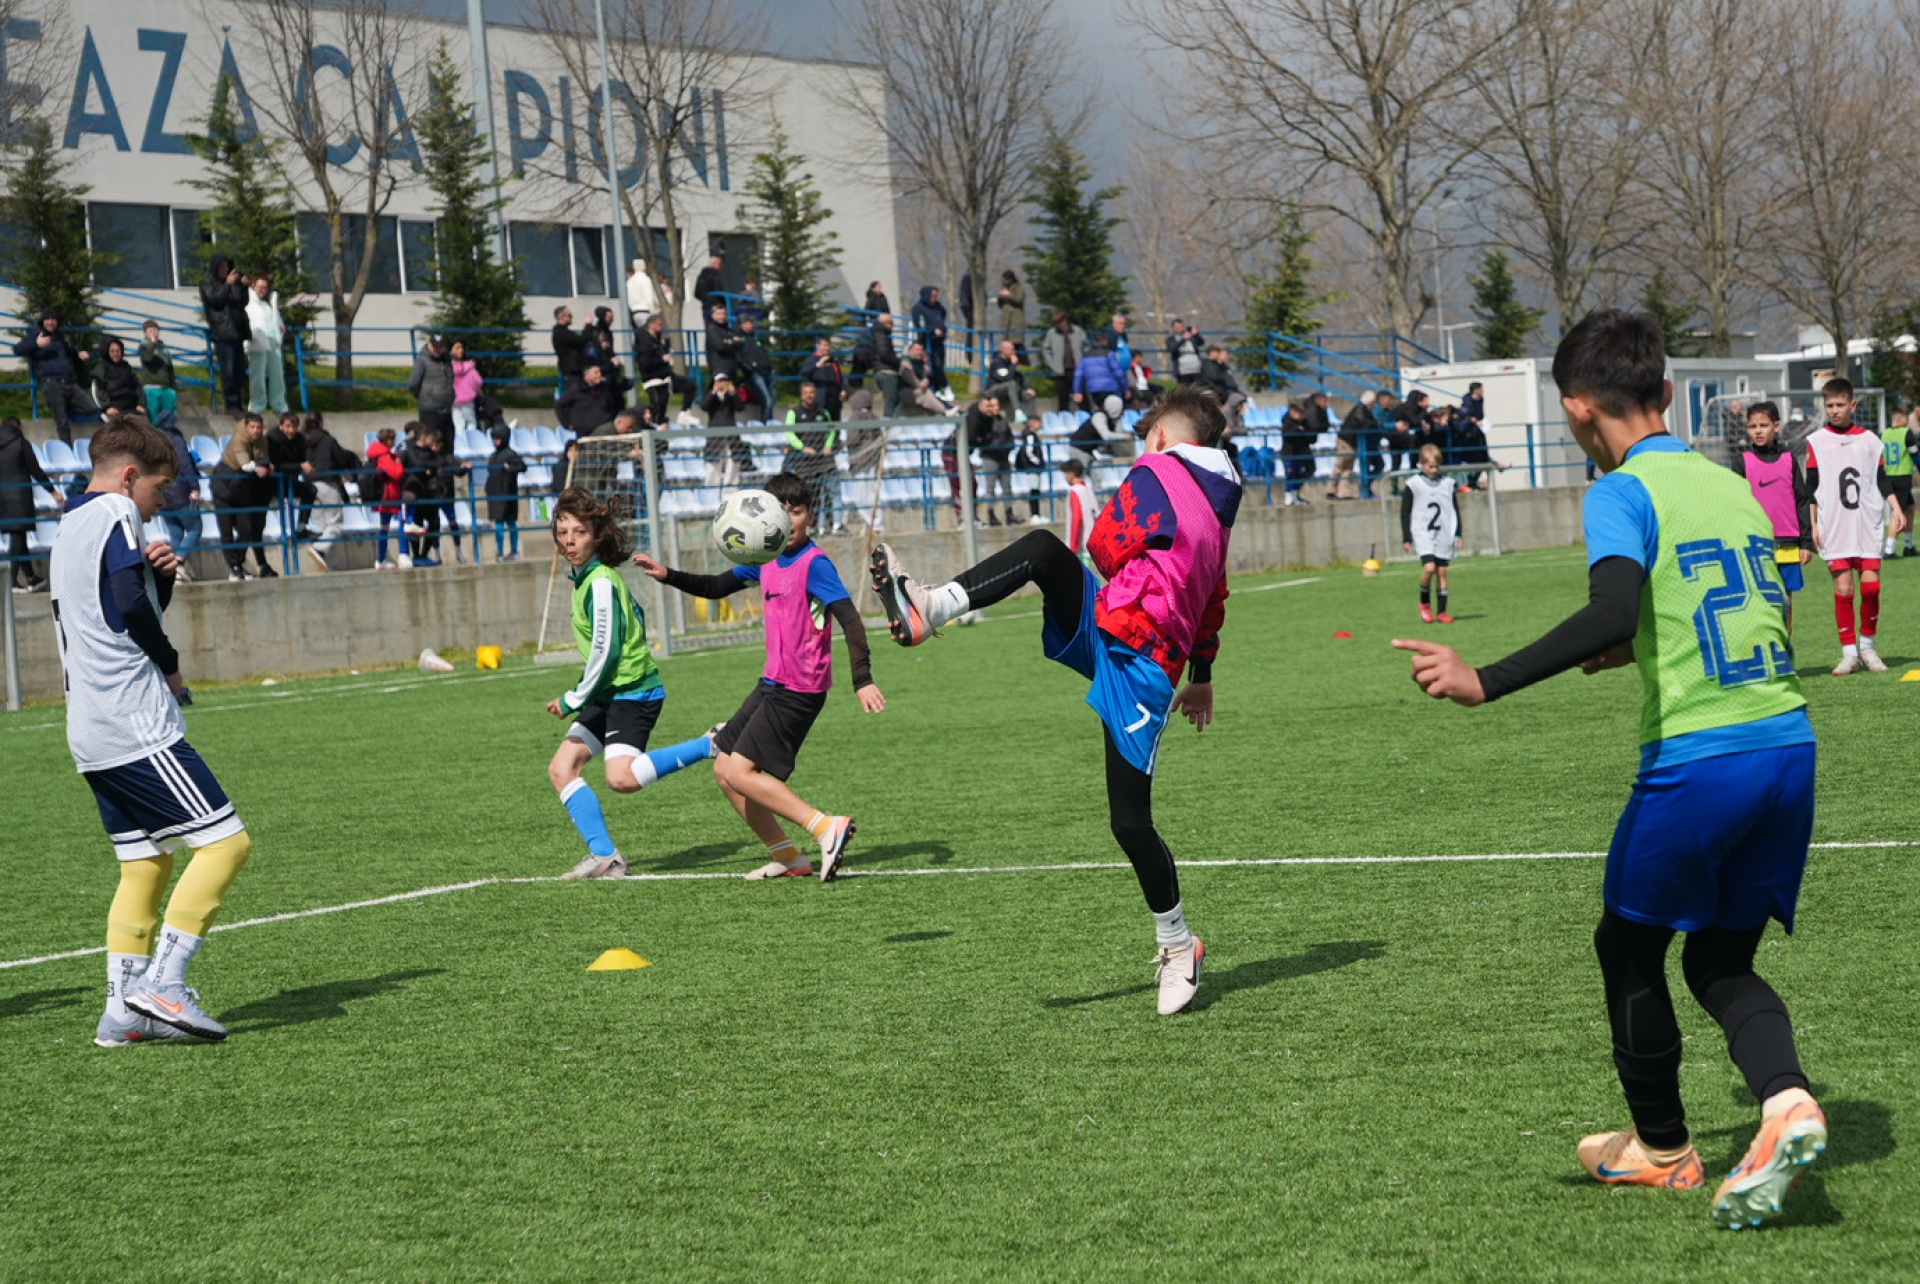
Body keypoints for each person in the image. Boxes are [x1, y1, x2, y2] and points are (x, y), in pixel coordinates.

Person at [1393, 309, 1827, 1230]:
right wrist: (1636, 647)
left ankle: (1663, 1149)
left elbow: (1610, 607)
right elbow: (1760, 614)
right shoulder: (1731, 485)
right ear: (1666, 391)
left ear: (1577, 409)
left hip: (1701, 758)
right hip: (1787, 744)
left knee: (1627, 948)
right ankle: (1788, 1102)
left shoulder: (1620, 491)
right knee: (1719, 958)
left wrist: (1483, 679)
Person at [869, 386, 1237, 1016]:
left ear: (1161, 438)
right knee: (1042, 551)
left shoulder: (1157, 470)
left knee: (1130, 823)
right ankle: (930, 606)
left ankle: (1180, 944)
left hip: (1140, 663)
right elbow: (1214, 596)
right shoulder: (1219, 508)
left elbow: (1103, 546)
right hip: (1126, 633)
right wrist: (1202, 674)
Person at [51, 419, 256, 1046]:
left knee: (145, 865)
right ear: (129, 477)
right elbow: (129, 607)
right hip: (133, 720)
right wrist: (170, 665)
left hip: (89, 728)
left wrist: (157, 578)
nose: (159, 503)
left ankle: (122, 1012)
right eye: (159, 489)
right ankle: (163, 983)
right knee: (226, 845)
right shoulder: (117, 511)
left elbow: (117, 609)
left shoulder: (69, 523)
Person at [632, 472, 887, 880]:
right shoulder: (765, 559)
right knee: (724, 769)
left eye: (796, 511)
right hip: (771, 684)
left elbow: (851, 620)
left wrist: (863, 679)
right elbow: (717, 586)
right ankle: (789, 857)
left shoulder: (814, 564)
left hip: (800, 689)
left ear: (810, 515)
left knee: (740, 772)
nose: (787, 520)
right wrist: (669, 575)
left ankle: (827, 827)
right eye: (780, 511)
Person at [544, 488, 718, 880]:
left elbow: (606, 651)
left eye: (579, 532)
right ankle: (605, 857)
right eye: (563, 532)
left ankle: (710, 743)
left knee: (621, 778)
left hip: (634, 690)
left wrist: (573, 698)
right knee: (562, 768)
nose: (569, 541)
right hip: (609, 692)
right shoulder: (584, 579)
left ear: (596, 535)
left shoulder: (601, 582)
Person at [1806, 376, 1903, 674]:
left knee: (1871, 588)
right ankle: (1849, 653)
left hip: (1866, 524)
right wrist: (1812, 525)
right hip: (1834, 525)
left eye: (1840, 405)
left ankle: (1868, 648)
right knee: (1844, 588)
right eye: (1829, 406)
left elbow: (1881, 479)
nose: (1834, 411)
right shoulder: (1816, 441)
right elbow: (1811, 486)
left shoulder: (1870, 441)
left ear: (1853, 405)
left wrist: (1896, 507)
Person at [1730, 401, 1812, 633]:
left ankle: (1785, 649)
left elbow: (1802, 501)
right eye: (1752, 426)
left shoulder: (1789, 460)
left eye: (1763, 425)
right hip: (1754, 544)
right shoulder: (1742, 463)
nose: (1757, 431)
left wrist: (1806, 542)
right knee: (1758, 603)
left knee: (1785, 603)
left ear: (1776, 426)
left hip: (1788, 544)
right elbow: (1734, 506)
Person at [14, 311, 97, 445]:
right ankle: (67, 451)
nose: (51, 322)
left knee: (91, 408)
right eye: (47, 319)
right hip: (51, 384)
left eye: (54, 319)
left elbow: (68, 351)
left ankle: (66, 407)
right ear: (42, 321)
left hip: (68, 383)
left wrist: (79, 354)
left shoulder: (59, 337)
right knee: (62, 423)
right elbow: (17, 349)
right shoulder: (36, 334)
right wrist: (37, 344)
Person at [1401, 443, 1462, 623]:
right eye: (1430, 467)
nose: (1434, 470)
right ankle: (1424, 603)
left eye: (1436, 466)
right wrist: (1407, 537)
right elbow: (1405, 512)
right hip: (1423, 533)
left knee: (1442, 571)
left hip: (1443, 533)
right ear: (1421, 464)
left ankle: (1442, 612)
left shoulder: (1447, 484)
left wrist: (1458, 533)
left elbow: (1455, 510)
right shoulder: (1414, 484)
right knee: (1429, 568)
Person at [211, 414, 276, 581]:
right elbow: (245, 464)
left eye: (258, 427)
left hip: (242, 491)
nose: (256, 431)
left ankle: (239, 564)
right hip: (223, 487)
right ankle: (233, 568)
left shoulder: (262, 441)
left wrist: (266, 467)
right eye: (252, 427)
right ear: (247, 427)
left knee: (246, 529)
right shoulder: (239, 440)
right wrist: (259, 468)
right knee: (226, 531)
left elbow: (265, 460)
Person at [0, 414, 55, 591]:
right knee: (17, 536)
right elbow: (36, 471)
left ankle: (31, 578)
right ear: (18, 427)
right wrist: (53, 490)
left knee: (19, 536)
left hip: (3, 498)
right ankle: (10, 582)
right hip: (20, 497)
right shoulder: (21, 443)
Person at [301, 412, 356, 572]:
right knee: (335, 524)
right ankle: (319, 549)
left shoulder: (302, 440)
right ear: (321, 422)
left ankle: (329, 565)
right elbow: (341, 459)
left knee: (321, 528)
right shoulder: (328, 439)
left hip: (309, 485)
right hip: (327, 482)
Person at [152, 410, 202, 581]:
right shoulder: (175, 438)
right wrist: (194, 486)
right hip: (181, 492)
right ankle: (178, 561)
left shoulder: (154, 440)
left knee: (175, 533)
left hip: (163, 495)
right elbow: (184, 463)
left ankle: (171, 571)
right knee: (195, 528)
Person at [784, 381, 841, 530]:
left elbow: (831, 431)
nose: (809, 395)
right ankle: (808, 525)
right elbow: (789, 434)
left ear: (816, 394)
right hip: (803, 462)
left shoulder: (823, 412)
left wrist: (828, 446)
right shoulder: (794, 412)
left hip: (823, 460)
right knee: (807, 495)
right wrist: (803, 448)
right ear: (802, 395)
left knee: (829, 492)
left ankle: (829, 524)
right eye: (806, 393)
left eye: (812, 392)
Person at [201, 258, 251, 413]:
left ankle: (238, 403)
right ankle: (231, 403)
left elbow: (242, 301)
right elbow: (215, 300)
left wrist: (243, 286)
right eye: (221, 267)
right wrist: (228, 284)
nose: (224, 269)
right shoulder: (208, 282)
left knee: (239, 370)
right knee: (228, 370)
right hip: (223, 331)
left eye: (226, 267)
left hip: (237, 331)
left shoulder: (232, 282)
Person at [634, 314, 695, 423]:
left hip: (666, 375)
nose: (662, 327)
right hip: (653, 378)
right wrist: (662, 359)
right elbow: (645, 362)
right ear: (652, 324)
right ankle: (653, 426)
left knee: (689, 385)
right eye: (659, 324)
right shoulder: (644, 341)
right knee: (659, 407)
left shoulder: (658, 339)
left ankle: (684, 413)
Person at [267, 411, 317, 541]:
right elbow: (276, 465)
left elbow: (302, 459)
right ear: (281, 425)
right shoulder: (272, 438)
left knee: (310, 490)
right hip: (271, 482)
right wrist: (299, 466)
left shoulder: (299, 439)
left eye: (294, 427)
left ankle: (301, 528)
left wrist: (305, 466)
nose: (291, 430)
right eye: (288, 426)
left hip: (289, 480)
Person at [969, 394, 1016, 527]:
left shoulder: (1003, 421)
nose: (994, 408)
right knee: (990, 488)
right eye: (991, 406)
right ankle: (991, 514)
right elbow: (983, 439)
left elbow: (1010, 437)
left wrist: (1008, 448)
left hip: (1004, 457)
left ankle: (1009, 513)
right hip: (990, 457)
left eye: (996, 405)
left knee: (1007, 487)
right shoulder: (985, 422)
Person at [365, 426, 408, 569]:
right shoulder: (384, 456)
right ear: (388, 440)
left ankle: (381, 559)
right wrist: (398, 462)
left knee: (385, 527)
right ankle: (390, 557)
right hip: (389, 496)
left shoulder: (379, 453)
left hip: (387, 496)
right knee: (397, 524)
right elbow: (396, 473)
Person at [245, 276, 289, 415]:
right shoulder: (249, 302)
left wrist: (280, 327)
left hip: (273, 340)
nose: (263, 290)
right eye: (260, 287)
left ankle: (279, 404)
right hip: (258, 341)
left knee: (278, 374)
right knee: (257, 375)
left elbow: (276, 319)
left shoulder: (269, 303)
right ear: (253, 286)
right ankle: (257, 405)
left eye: (265, 288)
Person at [1880, 406, 1918, 558]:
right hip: (1902, 477)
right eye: (1906, 417)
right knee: (1899, 512)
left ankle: (1908, 546)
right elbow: (1915, 455)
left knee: (1910, 508)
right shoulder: (1906, 433)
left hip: (1888, 476)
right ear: (1901, 418)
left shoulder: (1884, 434)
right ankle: (1889, 550)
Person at [485, 426, 527, 561]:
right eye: (494, 438)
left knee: (511, 522)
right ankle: (500, 552)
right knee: (498, 523)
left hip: (508, 493)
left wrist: (510, 469)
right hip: (495, 494)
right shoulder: (493, 456)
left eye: (498, 438)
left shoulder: (510, 454)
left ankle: (514, 551)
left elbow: (522, 467)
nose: (496, 441)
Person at [703, 373, 749, 488]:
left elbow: (740, 407)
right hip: (715, 436)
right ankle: (711, 490)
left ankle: (730, 490)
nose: (722, 384)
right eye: (720, 381)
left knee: (733, 464)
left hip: (731, 435)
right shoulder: (711, 396)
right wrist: (714, 392)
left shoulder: (731, 397)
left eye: (725, 381)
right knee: (713, 465)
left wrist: (733, 393)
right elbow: (703, 406)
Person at [984, 339, 1038, 423]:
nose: (1014, 352)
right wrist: (1013, 365)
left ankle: (1032, 421)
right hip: (994, 390)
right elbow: (1006, 379)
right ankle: (1018, 412)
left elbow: (1020, 377)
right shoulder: (996, 362)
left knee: (1028, 395)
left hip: (1010, 390)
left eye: (1014, 349)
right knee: (1011, 384)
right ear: (1004, 350)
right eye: (1012, 350)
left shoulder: (1012, 361)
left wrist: (1028, 388)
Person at [1044, 311, 1087, 413]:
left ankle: (1085, 416)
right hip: (1060, 371)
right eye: (1056, 323)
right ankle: (1063, 417)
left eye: (1059, 322)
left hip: (1077, 369)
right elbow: (1046, 349)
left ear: (1065, 320)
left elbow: (1085, 346)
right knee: (1063, 399)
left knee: (1082, 397)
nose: (1058, 325)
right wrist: (1052, 364)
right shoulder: (1051, 333)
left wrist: (1083, 362)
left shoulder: (1078, 331)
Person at [734, 315, 776, 417]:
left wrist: (771, 367)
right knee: (767, 400)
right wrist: (750, 369)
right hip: (755, 374)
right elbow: (738, 358)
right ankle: (766, 424)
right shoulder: (738, 338)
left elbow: (763, 354)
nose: (752, 325)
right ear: (742, 324)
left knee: (771, 401)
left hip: (767, 372)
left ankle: (770, 422)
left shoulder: (755, 337)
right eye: (750, 322)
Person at [1060, 456, 1098, 568]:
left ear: (1071, 474)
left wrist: (1073, 546)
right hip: (1091, 543)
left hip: (1080, 545)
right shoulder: (1088, 489)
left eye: (1066, 473)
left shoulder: (1075, 492)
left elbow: (1077, 518)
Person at [138, 320, 178, 423]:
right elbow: (147, 359)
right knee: (155, 420)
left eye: (155, 330)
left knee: (170, 419)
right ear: (145, 333)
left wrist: (173, 387)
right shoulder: (143, 346)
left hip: (166, 388)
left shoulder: (164, 348)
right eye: (150, 331)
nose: (153, 333)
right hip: (151, 388)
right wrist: (152, 343)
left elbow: (170, 368)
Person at [1072, 337, 1127, 411]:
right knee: (1114, 410)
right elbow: (1118, 372)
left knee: (1101, 408)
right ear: (1106, 342)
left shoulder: (1086, 356)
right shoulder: (1110, 354)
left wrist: (1077, 391)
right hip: (1111, 388)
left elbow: (1079, 375)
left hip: (1094, 389)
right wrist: (1125, 388)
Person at [912, 286, 949, 390]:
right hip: (926, 341)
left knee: (939, 365)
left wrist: (942, 330)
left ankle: (938, 388)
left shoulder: (939, 308)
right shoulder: (918, 308)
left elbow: (942, 318)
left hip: (939, 342)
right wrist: (933, 330)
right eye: (932, 296)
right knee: (931, 365)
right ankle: (941, 386)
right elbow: (919, 325)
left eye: (936, 296)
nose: (934, 298)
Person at [799, 338, 845, 420]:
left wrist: (843, 389)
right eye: (824, 345)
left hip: (835, 401)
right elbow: (803, 373)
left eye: (828, 345)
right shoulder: (813, 359)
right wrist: (817, 366)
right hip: (821, 401)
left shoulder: (833, 361)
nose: (827, 348)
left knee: (835, 424)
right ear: (818, 346)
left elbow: (839, 377)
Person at [1280, 401, 1316, 506]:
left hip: (1302, 452)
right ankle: (1289, 495)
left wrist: (1304, 432)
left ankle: (1295, 493)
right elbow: (1287, 436)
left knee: (1306, 471)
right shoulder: (1287, 422)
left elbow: (1311, 437)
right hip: (1290, 453)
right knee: (1291, 475)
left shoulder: (1304, 422)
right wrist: (1298, 430)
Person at [96, 337, 143, 415]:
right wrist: (107, 407)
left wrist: (140, 404)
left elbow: (138, 384)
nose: (115, 354)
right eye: (112, 351)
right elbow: (99, 390)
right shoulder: (101, 367)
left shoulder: (126, 366)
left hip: (131, 406)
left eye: (118, 351)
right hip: (114, 409)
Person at [450, 339, 484, 438]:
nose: (461, 350)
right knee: (471, 423)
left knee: (458, 425)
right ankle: (471, 441)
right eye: (457, 348)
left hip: (454, 400)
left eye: (461, 348)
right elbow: (478, 381)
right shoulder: (469, 366)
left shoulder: (447, 366)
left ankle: (460, 443)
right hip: (468, 400)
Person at [551, 306, 589, 388]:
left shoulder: (566, 332)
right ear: (561, 317)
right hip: (572, 374)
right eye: (569, 315)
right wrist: (588, 326)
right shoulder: (560, 333)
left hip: (577, 372)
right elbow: (582, 340)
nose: (572, 317)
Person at [626, 257, 660, 333]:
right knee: (649, 335)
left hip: (634, 312)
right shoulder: (646, 279)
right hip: (645, 311)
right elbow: (649, 298)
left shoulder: (630, 281)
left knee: (639, 335)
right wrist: (653, 313)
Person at [1167, 320, 1204, 386]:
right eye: (1178, 327)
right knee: (1185, 390)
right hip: (1182, 371)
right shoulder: (1171, 339)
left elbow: (1201, 342)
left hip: (1196, 369)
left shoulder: (1191, 337)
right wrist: (1183, 339)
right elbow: (1173, 349)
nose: (1180, 329)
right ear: (1173, 328)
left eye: (1182, 327)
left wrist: (1196, 335)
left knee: (1198, 389)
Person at [996, 270, 1026, 348]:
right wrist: (1000, 296)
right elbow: (1000, 305)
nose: (1006, 281)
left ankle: (1021, 355)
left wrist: (1009, 296)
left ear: (1011, 279)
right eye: (1004, 279)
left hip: (1015, 321)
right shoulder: (1004, 288)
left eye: (1007, 279)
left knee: (1016, 344)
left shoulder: (1018, 287)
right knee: (1005, 345)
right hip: (1006, 322)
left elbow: (1019, 300)